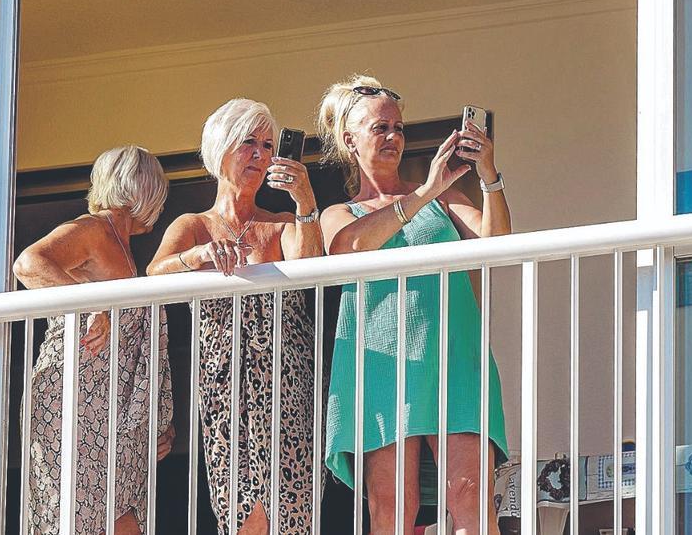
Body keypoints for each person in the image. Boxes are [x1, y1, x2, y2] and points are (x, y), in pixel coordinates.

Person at [317, 75, 510, 534]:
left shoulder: (447, 198)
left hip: (454, 355)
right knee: (391, 506)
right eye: (380, 127)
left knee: (470, 495)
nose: (393, 137)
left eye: (399, 128)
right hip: (382, 362)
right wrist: (422, 192)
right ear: (350, 140)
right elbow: (348, 249)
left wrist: (487, 174)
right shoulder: (339, 213)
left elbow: (497, 243)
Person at [147, 98, 322, 534]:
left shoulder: (282, 223)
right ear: (220, 148)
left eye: (267, 145)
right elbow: (153, 272)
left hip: (289, 384)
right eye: (249, 143)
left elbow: (310, 263)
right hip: (226, 385)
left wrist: (304, 199)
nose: (261, 156)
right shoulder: (194, 225)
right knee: (241, 511)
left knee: (292, 510)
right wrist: (198, 255)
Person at [14, 145, 175, 535]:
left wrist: (153, 423)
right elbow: (29, 264)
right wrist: (86, 307)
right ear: (148, 192)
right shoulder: (92, 228)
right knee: (78, 518)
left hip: (110, 409)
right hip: (74, 399)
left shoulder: (123, 247)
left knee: (119, 518)